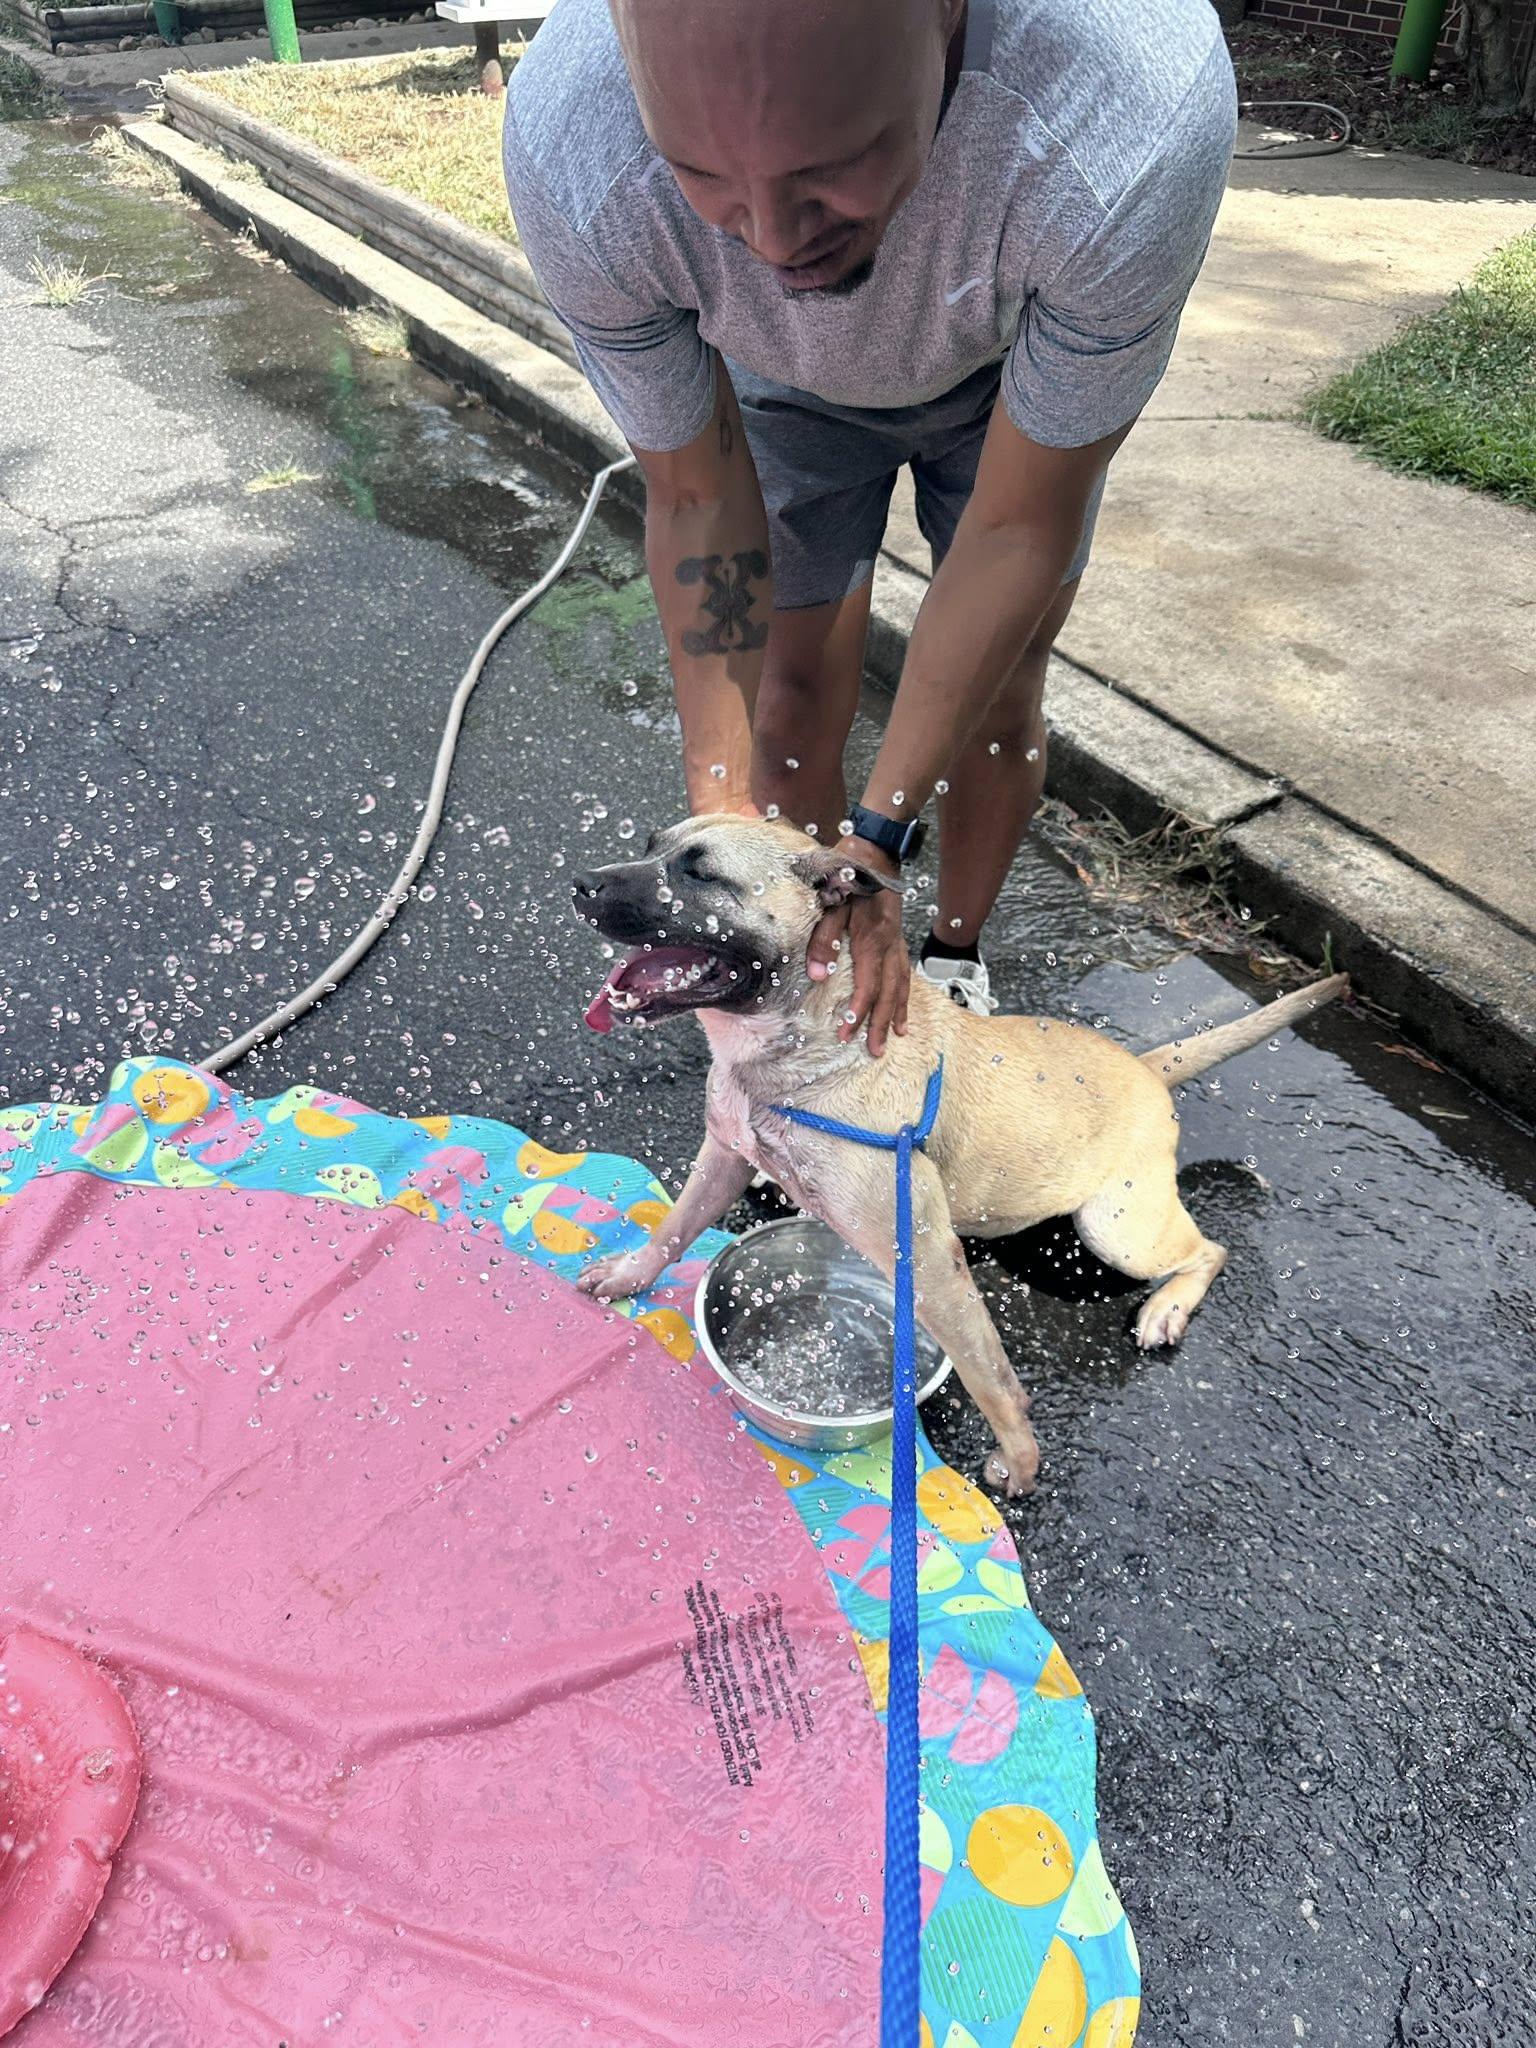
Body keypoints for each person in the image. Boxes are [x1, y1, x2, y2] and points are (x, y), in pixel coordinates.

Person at [505, 0, 1236, 1054]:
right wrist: (722, 832)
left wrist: (881, 836)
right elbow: (699, 496)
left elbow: (1017, 523)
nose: (771, 238)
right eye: (703, 176)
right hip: (781, 382)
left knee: (997, 698)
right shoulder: (574, 148)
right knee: (789, 704)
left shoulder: (1128, 120)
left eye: (827, 168)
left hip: (1013, 371)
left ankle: (954, 952)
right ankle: (825, 962)